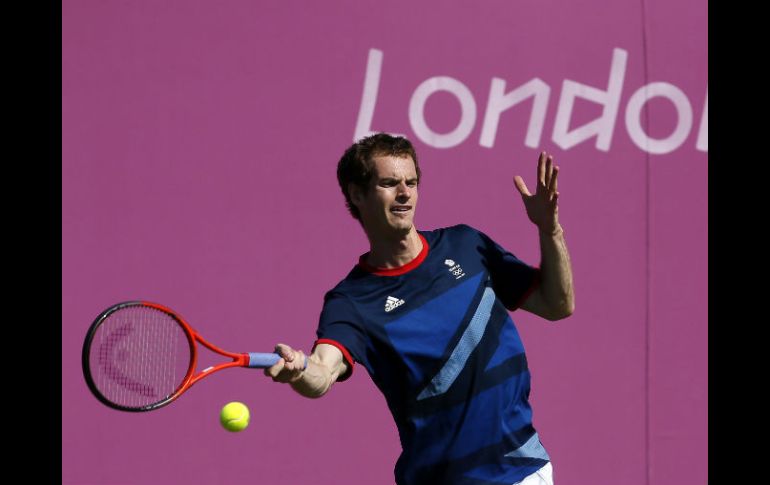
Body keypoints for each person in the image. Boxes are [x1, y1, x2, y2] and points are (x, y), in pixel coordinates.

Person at [265, 133, 574, 485]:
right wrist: (300, 369)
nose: (405, 194)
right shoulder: (351, 301)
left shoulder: (466, 245)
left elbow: (557, 304)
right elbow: (322, 371)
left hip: (520, 471)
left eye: (411, 182)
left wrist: (551, 230)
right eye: (389, 183)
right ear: (356, 194)